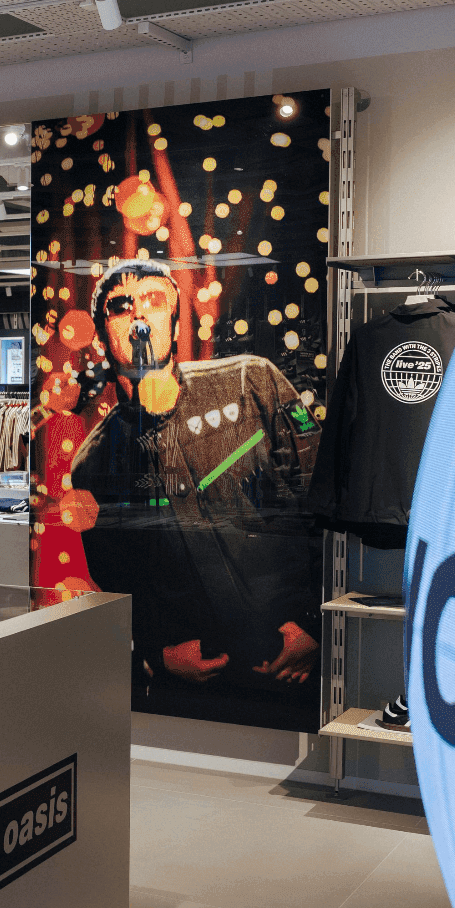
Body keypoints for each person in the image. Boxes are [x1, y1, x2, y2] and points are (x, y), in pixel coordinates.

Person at [64, 259, 322, 726]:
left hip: (295, 673)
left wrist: (314, 623)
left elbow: (323, 497)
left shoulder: (252, 383)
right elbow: (116, 583)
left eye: (153, 301)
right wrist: (156, 655)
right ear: (101, 334)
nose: (139, 316)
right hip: (192, 695)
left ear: (176, 320)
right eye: (121, 307)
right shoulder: (93, 463)